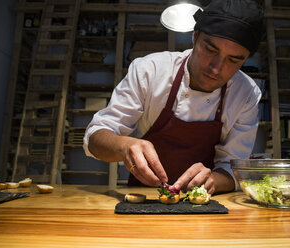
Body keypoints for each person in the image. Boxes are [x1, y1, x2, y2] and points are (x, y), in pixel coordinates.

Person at [83, 0, 264, 194]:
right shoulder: (150, 71)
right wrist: (124, 146)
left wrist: (213, 180)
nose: (216, 68)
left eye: (233, 60)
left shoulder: (246, 93)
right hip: (145, 195)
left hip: (204, 204)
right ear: (195, 37)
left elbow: (235, 167)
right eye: (210, 50)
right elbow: (95, 136)